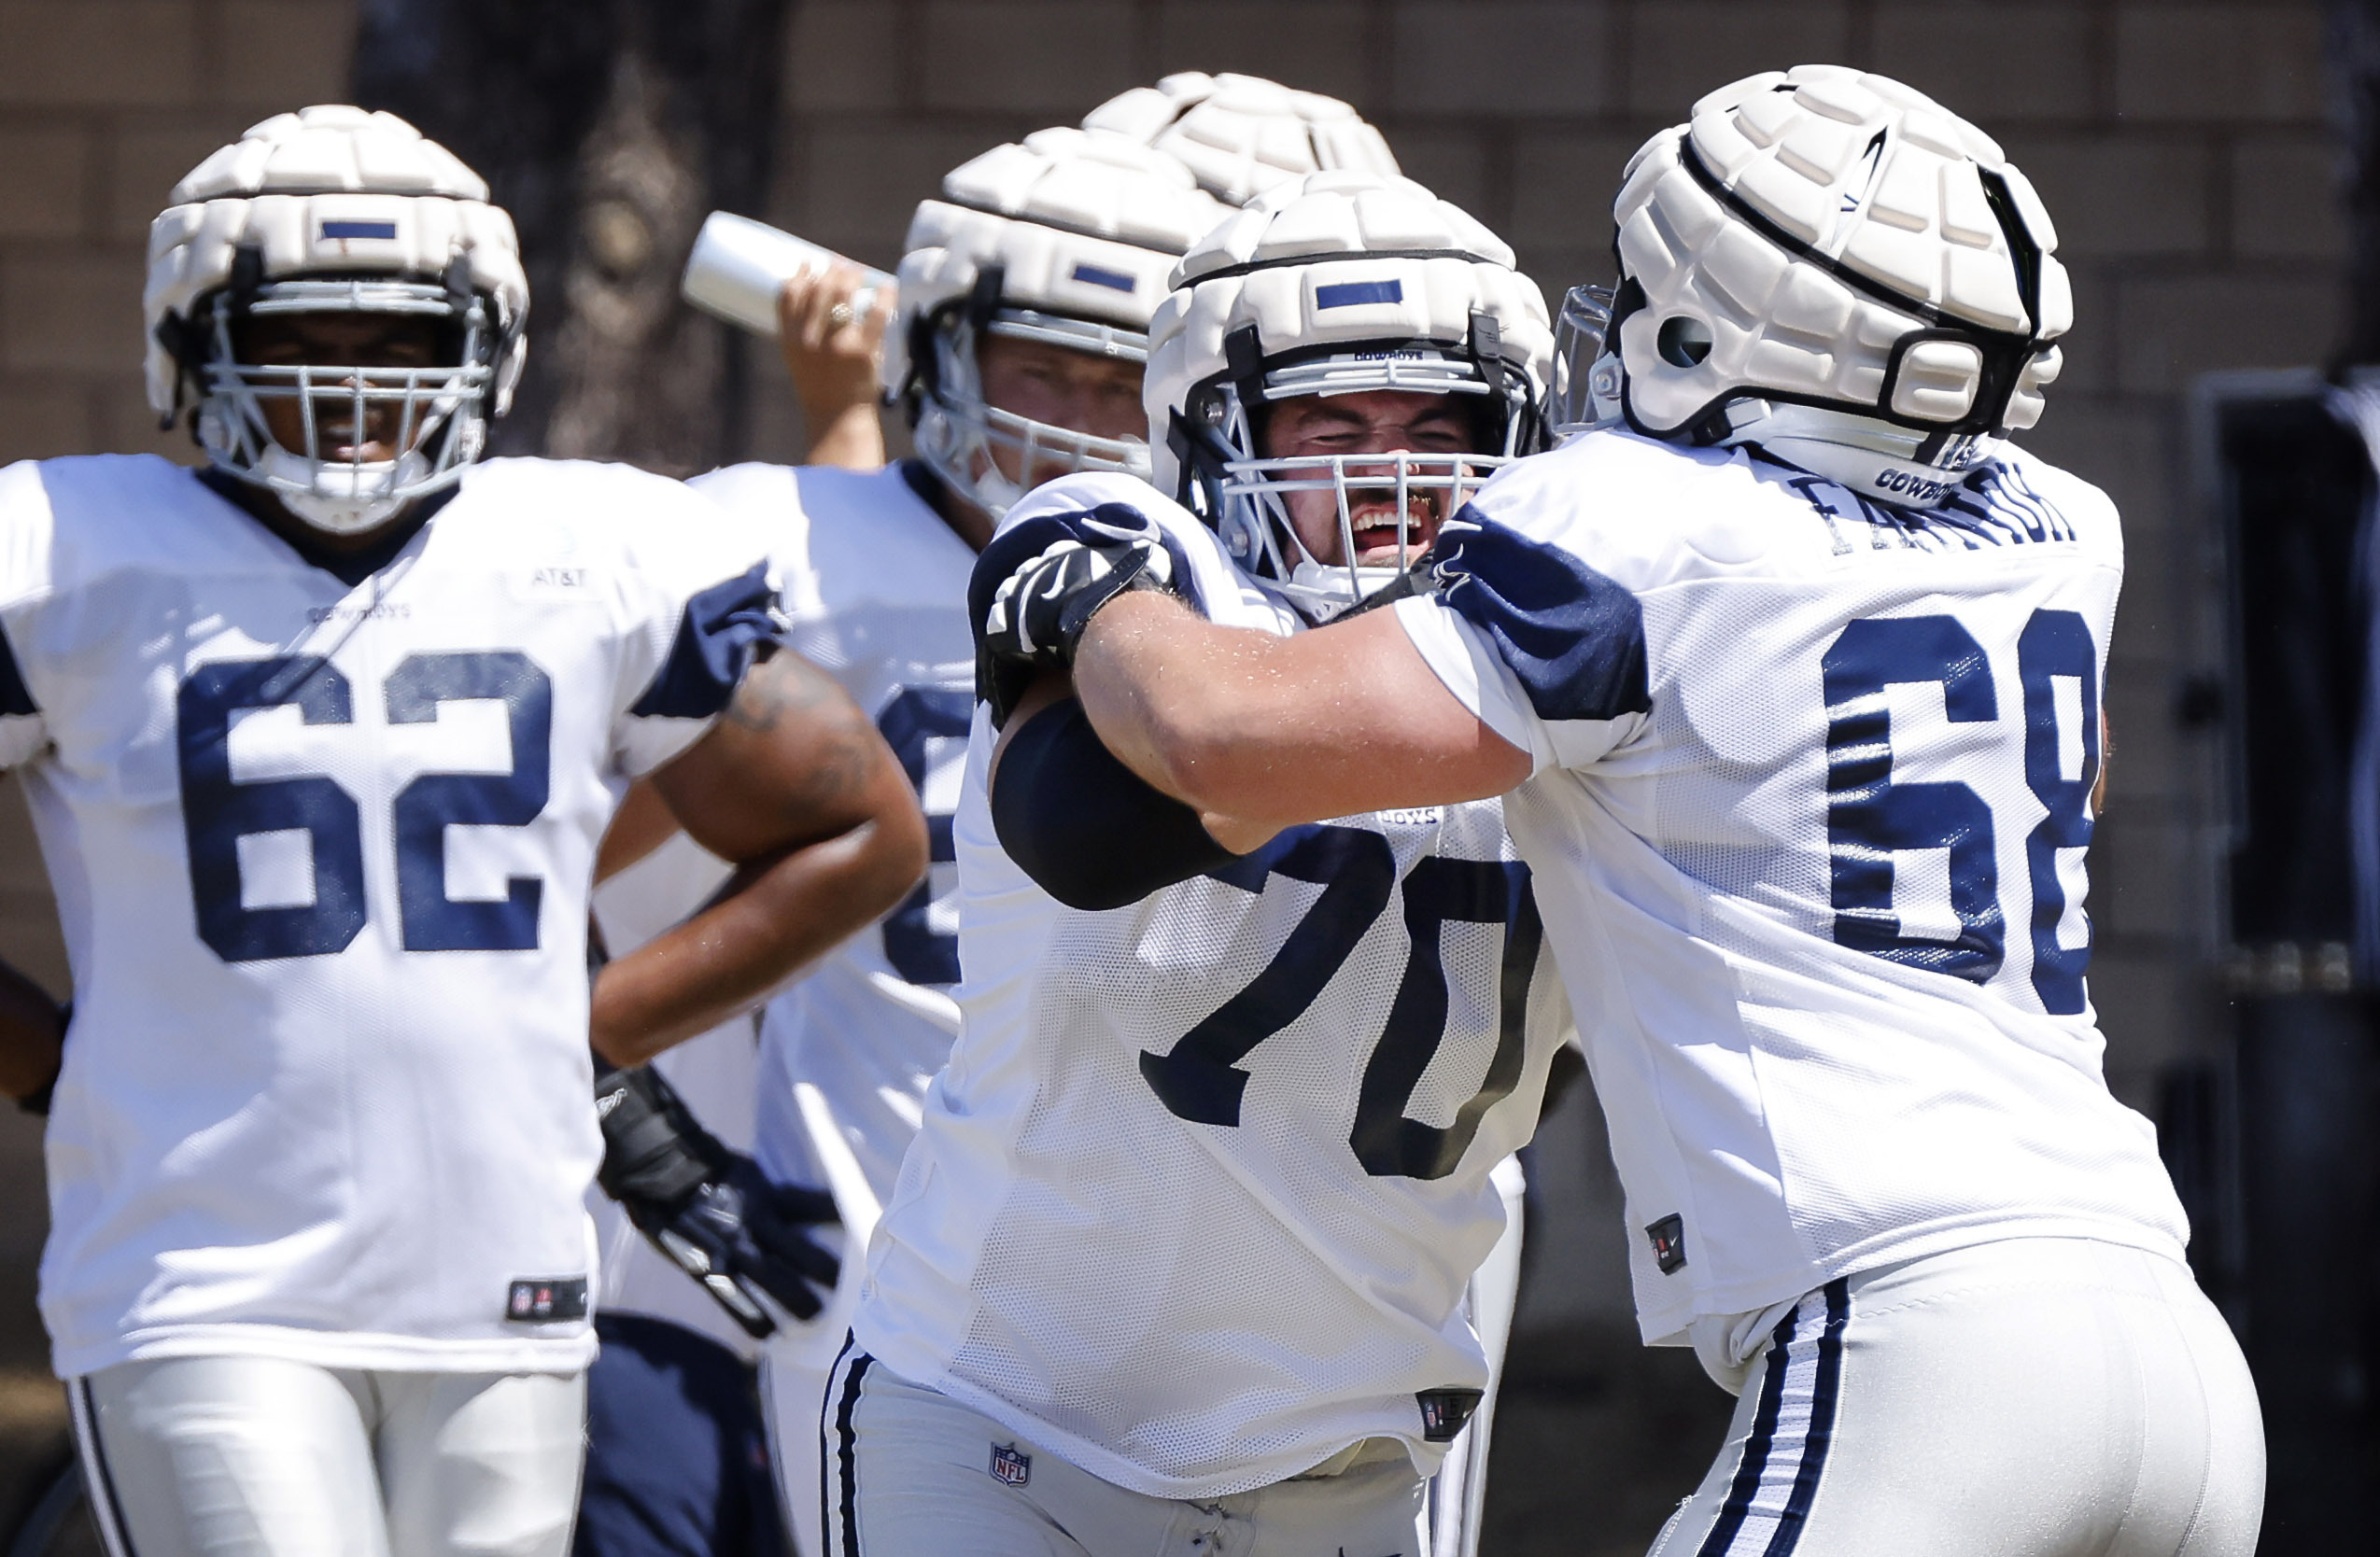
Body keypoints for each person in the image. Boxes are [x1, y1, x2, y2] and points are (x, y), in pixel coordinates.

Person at [973, 67, 2266, 1557]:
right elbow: (2058, 780)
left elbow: (1212, 738)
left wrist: (1092, 595)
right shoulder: (2062, 523)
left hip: (1914, 1339)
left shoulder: (1628, 517)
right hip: (2164, 1337)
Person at [0, 105, 927, 1557]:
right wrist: (47, 1057)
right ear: (193, 344)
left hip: (512, 1276)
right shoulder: (60, 549)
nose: (352, 388)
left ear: (485, 347)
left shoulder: (590, 547)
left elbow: (857, 826)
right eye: (303, 341)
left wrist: (589, 1034)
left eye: (399, 342)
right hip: (203, 1277)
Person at [829, 171, 1572, 1557]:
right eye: (1329, 422)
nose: (1386, 470)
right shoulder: (1140, 555)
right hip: (1008, 1414)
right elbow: (1085, 834)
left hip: (1342, 1446)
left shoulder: (1584, 650)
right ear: (1214, 433)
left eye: (1436, 426)